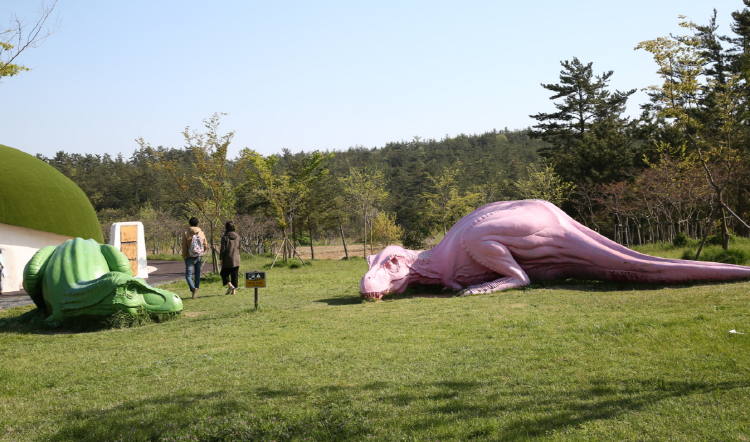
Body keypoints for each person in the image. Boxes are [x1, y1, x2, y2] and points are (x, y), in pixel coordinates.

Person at [181, 217, 207, 300]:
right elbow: (205, 244)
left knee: (188, 276)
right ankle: (197, 289)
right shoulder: (201, 233)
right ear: (197, 224)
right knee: (197, 274)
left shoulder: (186, 233)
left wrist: (184, 255)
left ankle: (193, 289)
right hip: (199, 256)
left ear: (189, 224)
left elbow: (184, 246)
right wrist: (202, 252)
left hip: (189, 256)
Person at [219, 221, 241, 295]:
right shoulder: (238, 236)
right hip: (237, 258)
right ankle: (233, 291)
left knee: (223, 273)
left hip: (228, 258)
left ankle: (230, 285)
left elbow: (223, 249)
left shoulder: (225, 237)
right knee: (234, 275)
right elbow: (239, 248)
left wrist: (221, 259)